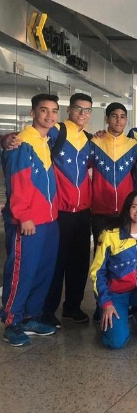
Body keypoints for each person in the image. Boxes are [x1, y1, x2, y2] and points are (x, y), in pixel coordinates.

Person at [1, 94, 61, 346]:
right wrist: (23, 216)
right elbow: (17, 183)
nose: (50, 115)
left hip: (49, 220)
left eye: (54, 111)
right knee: (21, 272)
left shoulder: (45, 140)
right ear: (33, 113)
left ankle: (30, 317)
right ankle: (12, 322)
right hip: (27, 222)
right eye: (44, 110)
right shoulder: (21, 143)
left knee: (42, 271)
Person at [89, 191, 137, 349]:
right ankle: (111, 316)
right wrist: (106, 303)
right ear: (127, 208)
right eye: (134, 206)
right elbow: (97, 272)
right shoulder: (109, 235)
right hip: (115, 294)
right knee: (116, 342)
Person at [43, 93, 94, 326]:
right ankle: (47, 311)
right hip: (60, 211)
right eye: (78, 108)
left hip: (83, 212)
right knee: (56, 263)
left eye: (87, 110)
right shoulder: (56, 131)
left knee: (79, 262)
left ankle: (72, 307)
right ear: (69, 110)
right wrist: (7, 140)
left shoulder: (89, 139)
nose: (83, 113)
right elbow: (31, 138)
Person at [89, 103, 137, 244]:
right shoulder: (95, 142)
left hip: (126, 209)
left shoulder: (133, 145)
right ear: (106, 119)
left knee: (124, 250)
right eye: (114, 116)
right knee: (101, 250)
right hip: (100, 210)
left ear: (126, 120)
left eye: (122, 117)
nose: (118, 120)